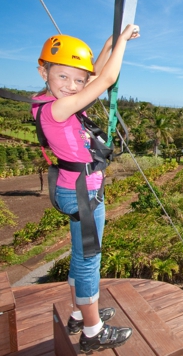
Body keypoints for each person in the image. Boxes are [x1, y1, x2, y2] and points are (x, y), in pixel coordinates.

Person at [32, 25, 139, 352]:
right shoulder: (57, 110)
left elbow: (94, 78)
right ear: (44, 71)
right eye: (63, 77)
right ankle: (93, 331)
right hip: (83, 195)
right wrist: (121, 43)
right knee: (89, 260)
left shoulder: (47, 101)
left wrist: (107, 45)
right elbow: (104, 81)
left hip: (74, 190)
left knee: (81, 255)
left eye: (77, 80)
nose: (73, 86)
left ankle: (80, 311)